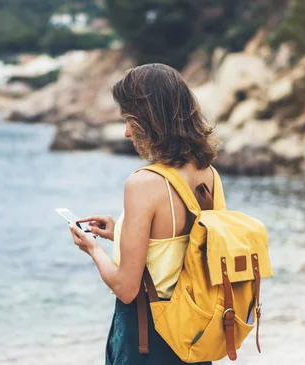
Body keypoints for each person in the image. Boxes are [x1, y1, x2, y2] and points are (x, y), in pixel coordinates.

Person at [68, 63, 218, 365]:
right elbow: (184, 242)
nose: (125, 132)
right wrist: (119, 232)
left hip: (149, 338)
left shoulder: (143, 182)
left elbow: (126, 288)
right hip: (194, 335)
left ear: (150, 120)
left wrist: (94, 249)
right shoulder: (208, 174)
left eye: (129, 119)